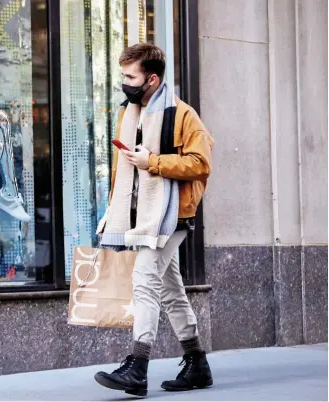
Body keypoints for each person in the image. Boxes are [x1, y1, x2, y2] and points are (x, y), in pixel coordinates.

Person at [94, 43, 214, 397]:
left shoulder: (182, 115)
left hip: (171, 215)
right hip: (139, 216)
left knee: (145, 280)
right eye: (123, 75)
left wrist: (154, 162)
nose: (124, 83)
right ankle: (197, 364)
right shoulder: (129, 112)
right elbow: (124, 169)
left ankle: (137, 366)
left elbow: (200, 163)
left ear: (152, 78)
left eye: (130, 76)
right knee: (170, 290)